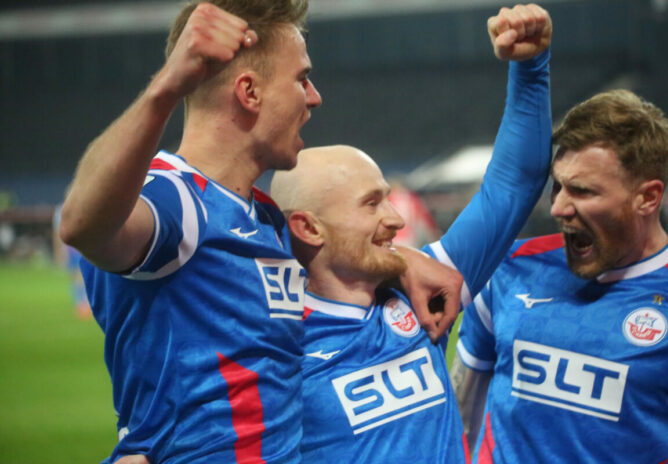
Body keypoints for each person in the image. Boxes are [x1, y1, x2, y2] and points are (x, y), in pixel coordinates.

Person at [59, 1, 461, 463]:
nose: (314, 97)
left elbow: (339, 259)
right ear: (249, 92)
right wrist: (165, 89)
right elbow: (83, 226)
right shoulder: (178, 202)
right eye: (301, 79)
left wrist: (402, 263)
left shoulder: (265, 217)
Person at [270, 4, 552, 461]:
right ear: (308, 227)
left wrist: (531, 67)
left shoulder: (427, 292)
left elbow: (514, 185)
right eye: (371, 204)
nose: (397, 219)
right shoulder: (272, 344)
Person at [451, 89, 668, 463]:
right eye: (558, 186)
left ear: (648, 197)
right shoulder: (512, 267)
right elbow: (461, 417)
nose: (559, 207)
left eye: (582, 191)